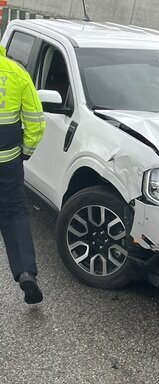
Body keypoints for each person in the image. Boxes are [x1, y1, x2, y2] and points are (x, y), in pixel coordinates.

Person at [0, 45, 46, 304]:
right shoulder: (16, 72)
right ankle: (26, 272)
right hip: (8, 161)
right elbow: (36, 121)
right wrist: (25, 151)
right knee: (14, 213)